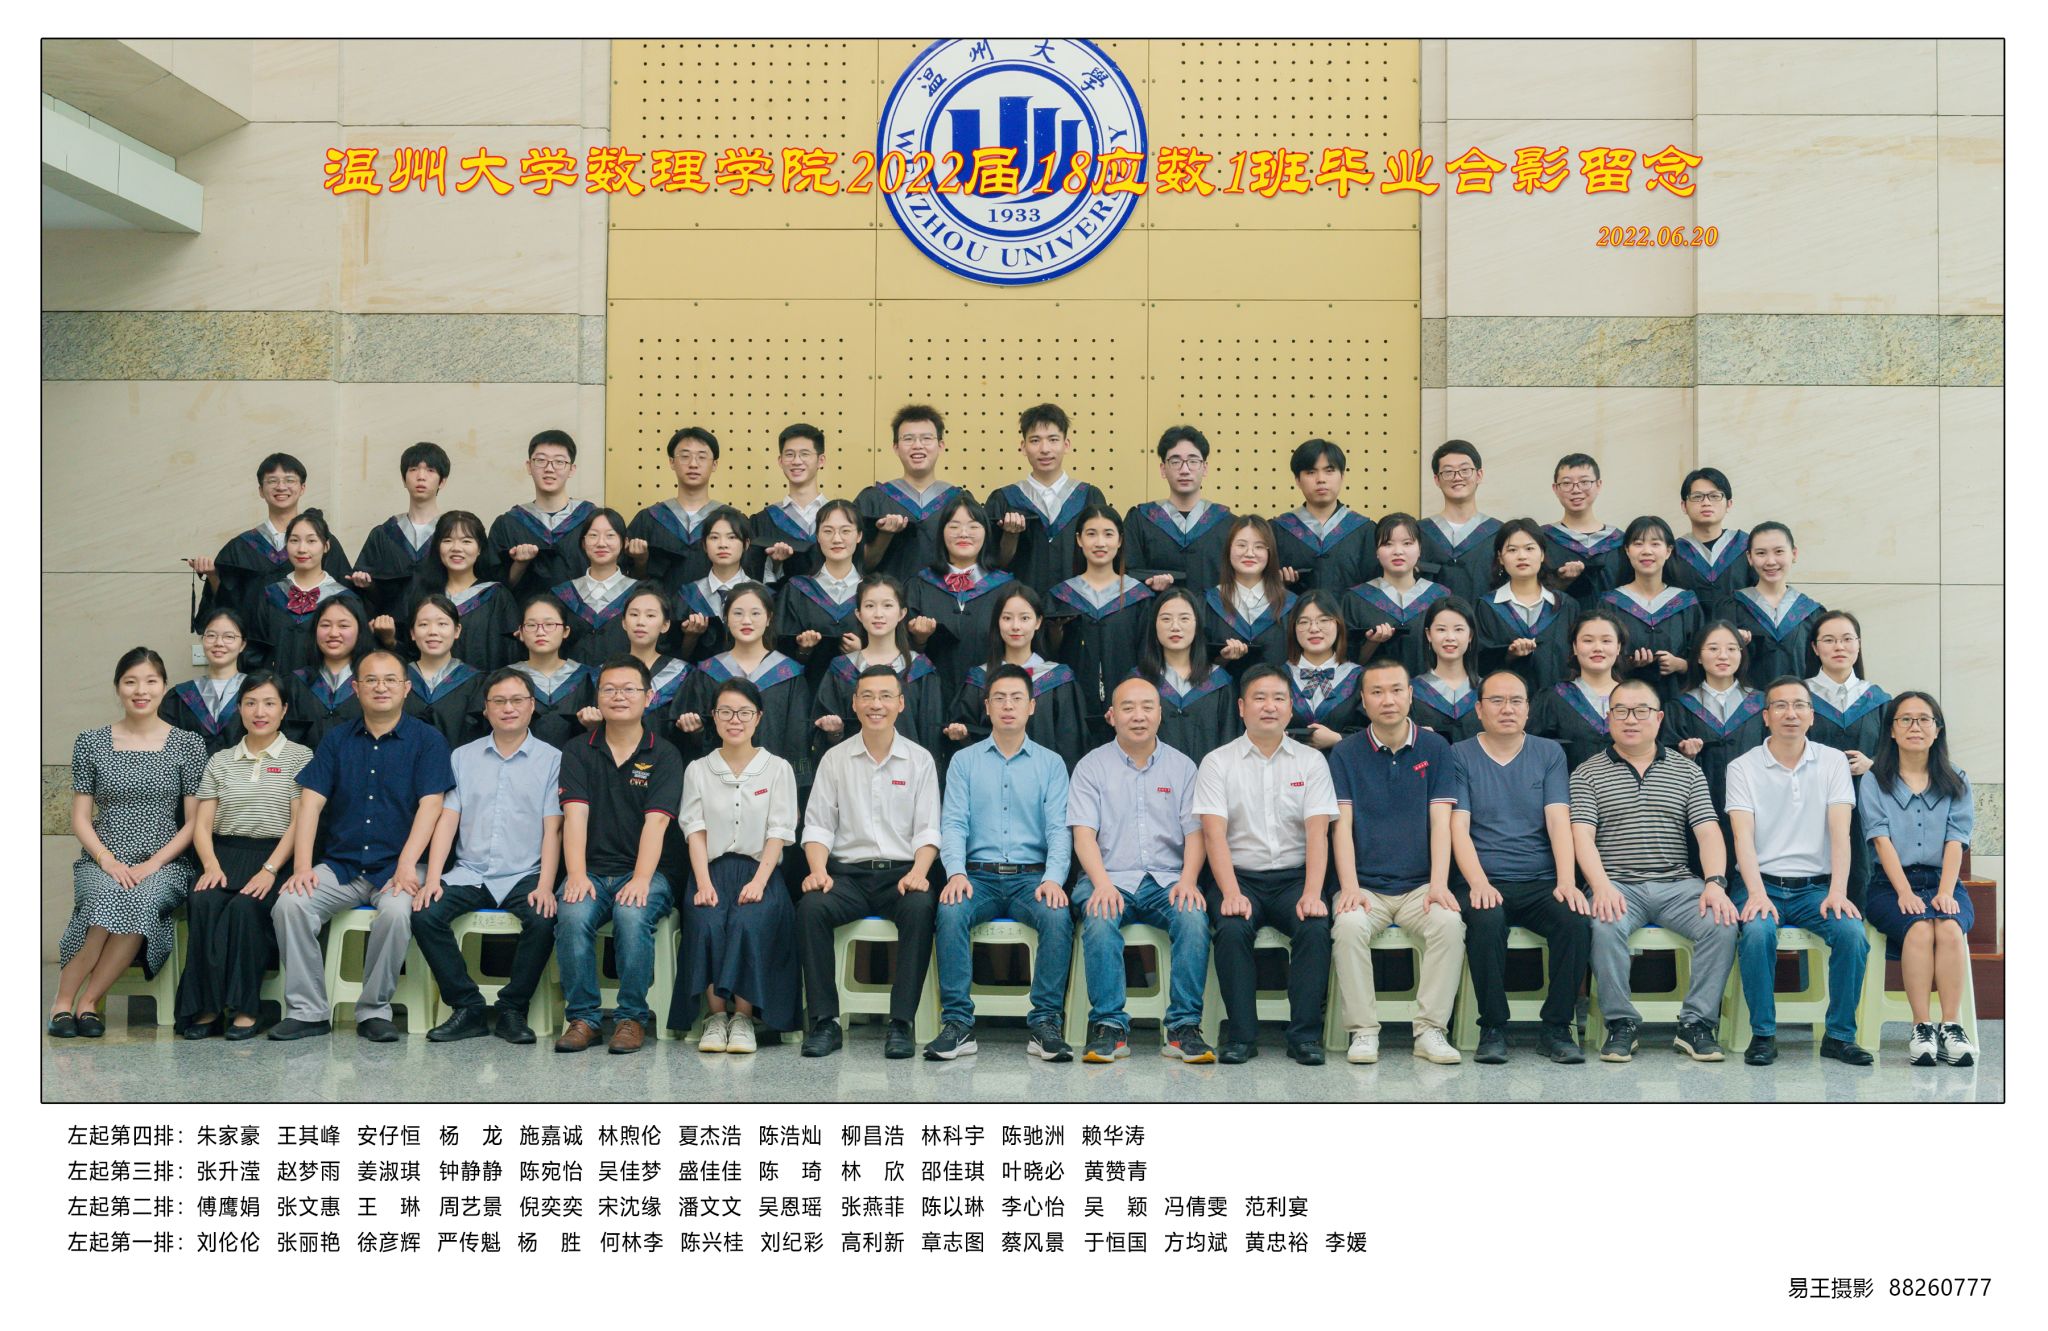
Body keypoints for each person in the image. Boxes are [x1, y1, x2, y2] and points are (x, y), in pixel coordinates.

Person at [270, 649, 453, 1042]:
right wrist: (302, 867)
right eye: (371, 680)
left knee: (397, 912)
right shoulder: (337, 739)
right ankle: (308, 1012)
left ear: (406, 688)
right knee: (290, 904)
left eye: (390, 680)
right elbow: (310, 803)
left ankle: (373, 1010)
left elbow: (432, 805)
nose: (380, 687)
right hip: (344, 865)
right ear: (356, 688)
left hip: (399, 866)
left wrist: (407, 864)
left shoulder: (428, 740)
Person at [1575, 678, 1737, 1063]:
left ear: (1659, 718)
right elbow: (1581, 836)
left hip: (1677, 884)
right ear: (1608, 717)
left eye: (1641, 711)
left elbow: (1708, 832)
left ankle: (1696, 1024)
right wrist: (1600, 886)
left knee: (1722, 923)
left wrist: (1715, 883)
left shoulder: (1687, 772)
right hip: (1617, 884)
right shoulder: (1587, 773)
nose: (1631, 719)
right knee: (1603, 925)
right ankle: (1621, 1024)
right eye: (1621, 711)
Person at [51, 649, 206, 1039]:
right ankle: (62, 1003)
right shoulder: (91, 742)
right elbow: (80, 817)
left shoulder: (188, 744)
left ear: (164, 687)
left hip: (164, 863)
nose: (141, 690)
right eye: (131, 682)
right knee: (104, 899)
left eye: (151, 681)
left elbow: (194, 822)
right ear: (118, 687)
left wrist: (153, 864)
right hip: (102, 859)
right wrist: (106, 860)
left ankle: (89, 1003)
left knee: (140, 900)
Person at [925, 664, 1077, 1061]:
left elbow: (1059, 830)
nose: (1008, 706)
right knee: (951, 911)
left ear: (1031, 706)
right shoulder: (964, 761)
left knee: (1058, 916)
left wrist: (1054, 878)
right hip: (977, 877)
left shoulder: (1051, 764)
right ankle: (958, 1024)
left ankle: (1045, 1023)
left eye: (1016, 698)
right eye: (999, 698)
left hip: (1032, 879)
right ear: (987, 706)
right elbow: (953, 823)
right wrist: (955, 872)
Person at [1193, 664, 1340, 1066]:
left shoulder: (1311, 762)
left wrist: (1313, 893)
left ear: (1291, 708)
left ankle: (1305, 1036)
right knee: (1231, 927)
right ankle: (1241, 1036)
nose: (1269, 707)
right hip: (1239, 876)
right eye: (1259, 698)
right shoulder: (1217, 762)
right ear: (1242, 707)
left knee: (1315, 927)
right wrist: (1230, 892)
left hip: (1296, 878)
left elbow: (1318, 834)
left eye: (1278, 698)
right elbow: (1213, 835)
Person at [796, 665, 943, 1059]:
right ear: (854, 704)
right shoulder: (835, 759)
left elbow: (928, 829)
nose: (876, 704)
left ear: (900, 704)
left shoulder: (919, 760)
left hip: (901, 874)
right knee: (811, 908)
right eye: (867, 696)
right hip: (847, 877)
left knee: (920, 907)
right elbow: (818, 826)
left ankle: (901, 1023)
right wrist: (818, 871)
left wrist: (919, 873)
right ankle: (825, 1022)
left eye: (885, 696)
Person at [410, 668, 563, 1045]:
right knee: (425, 913)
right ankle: (468, 1008)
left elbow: (553, 828)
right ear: (486, 709)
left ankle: (513, 1010)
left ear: (532, 706)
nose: (508, 708)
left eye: (517, 700)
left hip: (524, 873)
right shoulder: (463, 757)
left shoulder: (552, 759)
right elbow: (447, 820)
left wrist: (546, 885)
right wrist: (433, 878)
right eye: (499, 701)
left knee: (543, 919)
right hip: (471, 872)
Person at [1068, 676, 1215, 1064]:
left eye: (1147, 707)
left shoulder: (1183, 767)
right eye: (1128, 708)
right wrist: (1101, 884)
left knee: (1193, 917)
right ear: (1111, 716)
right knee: (1100, 916)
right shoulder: (1091, 767)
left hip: (1167, 881)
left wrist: (1188, 881)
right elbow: (1083, 836)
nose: (1138, 716)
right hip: (1108, 876)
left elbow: (1196, 833)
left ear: (1160, 714)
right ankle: (1109, 1027)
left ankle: (1184, 1028)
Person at [1445, 670, 1589, 1064]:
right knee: (1486, 919)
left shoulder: (1549, 753)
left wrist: (1566, 881)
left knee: (1575, 920)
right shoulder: (1459, 754)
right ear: (1478, 709)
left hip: (1541, 879)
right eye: (1496, 700)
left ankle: (1556, 1028)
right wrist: (1478, 882)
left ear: (1528, 709)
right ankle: (1493, 1027)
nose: (1507, 709)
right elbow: (1458, 827)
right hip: (1482, 878)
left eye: (1516, 701)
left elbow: (1558, 821)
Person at [1327, 658, 1466, 1065]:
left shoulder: (1436, 748)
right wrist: (1349, 887)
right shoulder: (1345, 753)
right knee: (1348, 926)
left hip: (1420, 885)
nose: (1387, 700)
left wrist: (1438, 884)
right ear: (1363, 701)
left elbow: (1441, 823)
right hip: (1365, 886)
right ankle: (1363, 1031)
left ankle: (1430, 1030)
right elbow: (1341, 826)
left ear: (1410, 695)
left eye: (1396, 690)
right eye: (1377, 692)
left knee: (1449, 923)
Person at [1726, 677, 1871, 1066]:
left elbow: (1841, 834)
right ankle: (1763, 1034)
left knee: (1852, 934)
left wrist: (1837, 891)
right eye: (1781, 706)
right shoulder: (1742, 767)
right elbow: (1742, 838)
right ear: (1766, 716)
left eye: (1799, 705)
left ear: (1811, 715)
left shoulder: (1833, 761)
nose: (1790, 713)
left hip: (1816, 889)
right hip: (1760, 883)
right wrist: (1756, 894)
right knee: (1756, 932)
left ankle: (1839, 1036)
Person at [552, 656, 684, 1054]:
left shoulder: (664, 754)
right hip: (590, 870)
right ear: (598, 697)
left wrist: (641, 880)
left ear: (649, 697)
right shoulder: (578, 750)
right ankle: (584, 1019)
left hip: (647, 872)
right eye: (609, 689)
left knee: (631, 913)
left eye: (629, 689)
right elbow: (574, 816)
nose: (619, 696)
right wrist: (576, 874)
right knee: (572, 914)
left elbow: (656, 823)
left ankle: (631, 1018)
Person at [172, 671, 311, 1040]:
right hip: (224, 854)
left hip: (275, 856)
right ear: (240, 708)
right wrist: (210, 865)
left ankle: (246, 1008)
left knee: (245, 909)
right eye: (250, 703)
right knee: (203, 901)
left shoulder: (300, 757)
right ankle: (206, 1007)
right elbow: (202, 824)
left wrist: (270, 869)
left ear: (284, 710)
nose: (259, 712)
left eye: (268, 703)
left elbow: (300, 823)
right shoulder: (221, 760)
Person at [670, 678, 803, 1051]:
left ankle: (743, 1017)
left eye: (744, 712)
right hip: (710, 871)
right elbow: (694, 829)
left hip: (760, 872)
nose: (735, 720)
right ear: (713, 717)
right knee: (706, 922)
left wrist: (760, 882)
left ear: (758, 718)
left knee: (749, 922)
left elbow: (779, 830)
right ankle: (716, 1018)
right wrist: (702, 883)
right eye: (726, 712)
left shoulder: (777, 769)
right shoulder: (699, 769)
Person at [1860, 691, 1979, 1067]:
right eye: (1905, 719)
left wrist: (1945, 892)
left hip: (1944, 880)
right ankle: (1921, 1027)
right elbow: (1880, 841)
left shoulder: (1956, 778)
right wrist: (1904, 892)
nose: (1915, 726)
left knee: (1949, 927)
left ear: (1937, 729)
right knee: (1919, 928)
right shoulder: (1875, 779)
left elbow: (1956, 841)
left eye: (1924, 719)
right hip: (1889, 884)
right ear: (1892, 730)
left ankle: (1951, 1026)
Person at [186, 452, 353, 633]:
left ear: (302, 488)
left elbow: (344, 599)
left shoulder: (322, 543)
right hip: (255, 644)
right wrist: (213, 576)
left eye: (289, 480)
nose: (281, 487)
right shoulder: (240, 547)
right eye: (272, 481)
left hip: (311, 641)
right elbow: (226, 608)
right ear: (260, 490)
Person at [673, 583, 813, 788]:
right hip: (717, 783)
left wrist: (792, 788)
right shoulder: (707, 672)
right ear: (726, 618)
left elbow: (797, 738)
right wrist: (696, 730)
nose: (746, 620)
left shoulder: (789, 674)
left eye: (755, 613)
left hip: (772, 785)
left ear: (769, 618)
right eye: (737, 613)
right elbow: (691, 739)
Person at [1048, 503, 1155, 750]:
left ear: (1120, 540)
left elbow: (1146, 656)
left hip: (1126, 711)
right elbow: (1049, 656)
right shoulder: (1061, 597)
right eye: (1091, 534)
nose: (1100, 543)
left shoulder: (1138, 597)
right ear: (1079, 540)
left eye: (1108, 534)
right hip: (1073, 710)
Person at [944, 587, 1087, 768]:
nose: (1015, 626)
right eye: (1007, 618)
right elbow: (967, 737)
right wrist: (962, 735)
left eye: (1024, 618)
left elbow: (1070, 745)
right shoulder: (980, 678)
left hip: (1044, 778)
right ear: (997, 622)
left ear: (1038, 622)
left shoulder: (1058, 679)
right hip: (990, 777)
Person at [1806, 609, 1891, 906]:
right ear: (1815, 647)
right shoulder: (1798, 697)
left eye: (1846, 639)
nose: (1839, 647)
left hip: (1863, 803)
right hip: (1809, 801)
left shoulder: (1878, 699)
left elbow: (1896, 754)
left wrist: (1872, 765)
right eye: (1829, 640)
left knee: (1860, 870)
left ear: (1859, 644)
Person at [984, 402, 1109, 594]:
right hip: (1020, 606)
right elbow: (991, 564)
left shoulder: (1088, 497)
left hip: (1079, 603)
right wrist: (1010, 535)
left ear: (1066, 445)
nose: (1045, 449)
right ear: (1023, 447)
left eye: (1053, 439)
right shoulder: (1004, 499)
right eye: (1035, 440)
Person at [814, 574, 946, 754]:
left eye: (887, 605)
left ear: (902, 613)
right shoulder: (842, 669)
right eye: (870, 606)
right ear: (858, 614)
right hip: (853, 767)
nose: (878, 614)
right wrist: (834, 732)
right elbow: (823, 739)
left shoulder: (920, 670)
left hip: (908, 768)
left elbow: (931, 738)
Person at [906, 493, 1017, 687]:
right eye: (954, 526)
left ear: (986, 533)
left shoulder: (1007, 589)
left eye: (973, 526)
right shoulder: (919, 587)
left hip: (990, 693)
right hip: (931, 693)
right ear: (941, 533)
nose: (964, 534)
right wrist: (919, 639)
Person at [1662, 620, 1767, 821]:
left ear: (1741, 654)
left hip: (1755, 808)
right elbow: (1665, 767)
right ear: (1698, 657)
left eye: (1732, 649)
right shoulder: (1679, 707)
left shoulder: (1762, 704)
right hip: (1699, 812)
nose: (1723, 655)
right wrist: (1686, 757)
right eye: (1713, 649)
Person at [858, 404, 968, 586]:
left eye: (926, 438)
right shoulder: (873, 500)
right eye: (908, 439)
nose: (917, 445)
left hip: (946, 599)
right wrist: (884, 536)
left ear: (940, 446)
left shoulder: (959, 501)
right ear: (896, 447)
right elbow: (858, 564)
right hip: (888, 600)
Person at [402, 510, 520, 674]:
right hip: (431, 686)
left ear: (479, 548)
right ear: (437, 547)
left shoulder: (496, 596)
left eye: (466, 541)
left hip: (485, 686)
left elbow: (510, 653)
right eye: (447, 540)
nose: (456, 548)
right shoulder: (422, 596)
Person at [1601, 515, 1703, 704]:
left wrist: (1680, 665)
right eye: (1638, 544)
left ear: (1668, 551)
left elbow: (1704, 655)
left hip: (1678, 703)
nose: (1646, 551)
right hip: (1626, 703)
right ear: (1627, 550)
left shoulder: (1685, 602)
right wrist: (1629, 663)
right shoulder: (1610, 602)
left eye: (1655, 544)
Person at [1137, 587, 1239, 768]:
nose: (1175, 627)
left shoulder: (1219, 682)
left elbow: (1229, 742)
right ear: (1154, 625)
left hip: (1208, 781)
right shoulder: (1138, 682)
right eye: (1166, 619)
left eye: (1184, 618)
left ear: (1197, 625)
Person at [1475, 517, 1578, 695]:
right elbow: (1479, 663)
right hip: (1506, 702)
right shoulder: (1486, 607)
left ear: (1542, 554)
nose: (1522, 556)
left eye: (1529, 548)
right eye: (1512, 550)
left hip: (1559, 703)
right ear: (1500, 558)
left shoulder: (1566, 606)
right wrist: (1508, 655)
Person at [1124, 425, 1233, 591]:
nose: (1184, 470)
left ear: (1205, 468)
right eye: (1175, 462)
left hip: (1212, 608)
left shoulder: (1227, 524)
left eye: (1193, 461)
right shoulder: (1140, 520)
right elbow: (1129, 576)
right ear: (1163, 469)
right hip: (1157, 607)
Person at [352, 441, 451, 620]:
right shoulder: (384, 534)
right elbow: (368, 594)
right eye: (413, 469)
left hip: (439, 626)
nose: (421, 476)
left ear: (442, 481)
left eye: (430, 470)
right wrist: (366, 584)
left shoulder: (451, 532)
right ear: (404, 479)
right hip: (391, 629)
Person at [1344, 512, 1449, 677]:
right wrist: (1372, 643)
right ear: (1376, 551)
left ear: (1420, 549)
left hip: (1431, 690)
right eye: (1388, 544)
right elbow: (1347, 664)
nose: (1398, 551)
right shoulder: (1356, 599)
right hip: (1377, 689)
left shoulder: (1440, 598)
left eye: (1407, 543)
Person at [491, 430, 597, 592]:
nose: (549, 468)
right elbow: (495, 588)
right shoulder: (508, 524)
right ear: (529, 466)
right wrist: (519, 564)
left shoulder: (592, 519)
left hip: (583, 608)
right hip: (526, 608)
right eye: (541, 460)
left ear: (572, 469)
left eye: (559, 461)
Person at [777, 498, 867, 688]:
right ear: (817, 536)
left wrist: (863, 652)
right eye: (828, 531)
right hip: (807, 693)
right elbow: (780, 656)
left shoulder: (873, 591)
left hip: (863, 695)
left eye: (845, 531)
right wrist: (803, 650)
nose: (837, 539)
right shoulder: (797, 590)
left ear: (859, 535)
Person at [248, 510, 349, 675]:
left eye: (311, 541)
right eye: (294, 540)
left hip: (323, 688)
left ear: (326, 546)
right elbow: (254, 652)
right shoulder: (271, 595)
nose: (302, 549)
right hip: (275, 687)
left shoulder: (344, 598)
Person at [622, 426, 720, 594]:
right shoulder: (649, 519)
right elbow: (626, 579)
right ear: (672, 462)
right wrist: (640, 562)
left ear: (714, 464)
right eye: (685, 456)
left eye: (702, 457)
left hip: (715, 609)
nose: (693, 464)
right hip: (660, 608)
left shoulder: (727, 520)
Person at [1725, 521, 1825, 685]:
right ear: (1749, 558)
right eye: (1761, 553)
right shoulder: (1732, 607)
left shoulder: (1812, 613)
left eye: (1779, 551)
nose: (1770, 561)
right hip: (1747, 700)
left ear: (1794, 554)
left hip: (1799, 700)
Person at [1272, 438, 1377, 593]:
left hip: (1349, 609)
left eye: (1329, 471)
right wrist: (1280, 584)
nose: (1321, 479)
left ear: (1342, 476)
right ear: (1297, 480)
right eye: (1311, 472)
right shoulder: (1276, 531)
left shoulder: (1365, 531)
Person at [1530, 608, 1629, 769]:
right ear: (1575, 647)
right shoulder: (1553, 698)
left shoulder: (1635, 698)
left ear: (1618, 647)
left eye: (1606, 641)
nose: (1598, 648)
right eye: (1588, 641)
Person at [1203, 515, 1297, 672]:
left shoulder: (1291, 604)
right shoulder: (1209, 602)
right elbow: (1197, 663)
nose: (1249, 553)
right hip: (1223, 688)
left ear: (1270, 553)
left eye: (1259, 547)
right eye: (1241, 545)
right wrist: (1222, 659)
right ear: (1228, 550)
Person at [550, 507, 642, 662]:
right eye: (593, 535)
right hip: (573, 677)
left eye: (610, 535)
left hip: (624, 676)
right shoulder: (562, 595)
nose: (601, 543)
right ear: (583, 542)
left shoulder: (641, 594)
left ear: (624, 542)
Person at [748, 423, 832, 587]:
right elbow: (755, 576)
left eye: (804, 454)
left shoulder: (839, 517)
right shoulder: (764, 520)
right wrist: (776, 564)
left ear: (821, 460)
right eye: (789, 454)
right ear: (780, 461)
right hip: (784, 600)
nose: (796, 461)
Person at [282, 594, 370, 749]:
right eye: (325, 625)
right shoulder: (296, 683)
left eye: (343, 626)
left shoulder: (371, 683)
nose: (333, 633)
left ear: (360, 631)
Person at [1419, 440, 1500, 605]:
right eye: (1448, 472)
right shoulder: (1418, 532)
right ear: (1436, 479)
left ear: (1479, 475)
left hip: (1484, 620)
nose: (1457, 477)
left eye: (1465, 470)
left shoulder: (1500, 533)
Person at [400, 594, 485, 750]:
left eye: (442, 624)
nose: (433, 631)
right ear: (412, 633)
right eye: (423, 624)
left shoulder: (476, 683)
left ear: (457, 630)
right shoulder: (397, 680)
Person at [509, 592, 593, 748]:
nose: (540, 632)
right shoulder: (506, 679)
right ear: (520, 633)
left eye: (549, 624)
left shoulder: (588, 678)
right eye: (531, 625)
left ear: (565, 631)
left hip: (576, 761)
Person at [1665, 467, 1753, 615]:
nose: (1706, 502)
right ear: (1684, 506)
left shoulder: (1746, 547)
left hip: (1739, 629)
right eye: (1697, 497)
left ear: (1729, 504)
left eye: (1714, 496)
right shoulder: (1673, 553)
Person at [161, 609, 250, 754]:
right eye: (211, 635)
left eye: (229, 636)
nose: (218, 643)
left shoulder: (255, 691)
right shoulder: (180, 696)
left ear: (242, 645)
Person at [1283, 591, 1363, 751]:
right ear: (1293, 628)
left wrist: (1339, 739)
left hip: (1343, 763)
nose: (1314, 629)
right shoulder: (1279, 677)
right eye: (1304, 622)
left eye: (1324, 620)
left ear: (1338, 624)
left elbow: (1377, 733)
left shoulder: (1360, 678)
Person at [1542, 452, 1624, 603]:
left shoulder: (1621, 542)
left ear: (1598, 485)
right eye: (1566, 483)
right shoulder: (1542, 540)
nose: (1576, 490)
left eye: (1584, 482)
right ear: (1555, 489)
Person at [674, 506, 752, 662]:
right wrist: (690, 637)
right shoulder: (687, 595)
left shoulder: (760, 595)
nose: (723, 544)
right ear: (704, 545)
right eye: (714, 537)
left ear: (746, 544)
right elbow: (674, 658)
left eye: (732, 537)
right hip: (700, 676)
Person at [1409, 596, 1482, 743]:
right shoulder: (1413, 692)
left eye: (1458, 629)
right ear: (1429, 634)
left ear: (1470, 635)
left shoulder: (1487, 691)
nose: (1450, 637)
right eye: (1441, 629)